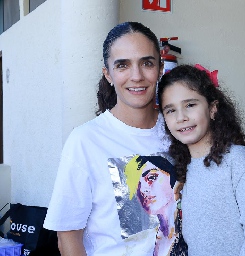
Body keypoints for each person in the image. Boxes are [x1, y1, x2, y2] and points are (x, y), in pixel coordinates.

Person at [43, 22, 185, 256]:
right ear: (107, 74)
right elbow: (68, 237)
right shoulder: (85, 141)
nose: (137, 76)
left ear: (160, 68)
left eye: (147, 63)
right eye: (123, 65)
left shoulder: (179, 129)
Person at [157, 64, 245, 256]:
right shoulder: (184, 168)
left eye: (190, 105)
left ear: (213, 108)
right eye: (170, 110)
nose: (181, 117)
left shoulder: (237, 161)